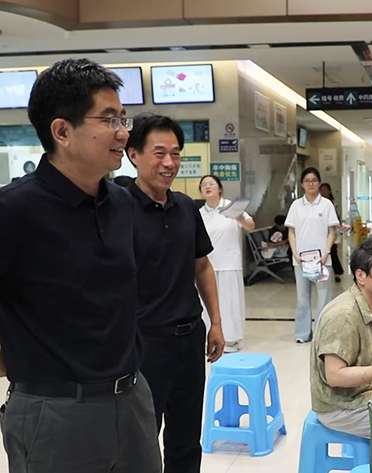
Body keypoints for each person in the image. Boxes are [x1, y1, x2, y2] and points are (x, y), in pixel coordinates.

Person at [0, 58, 161, 472]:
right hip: (55, 413)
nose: (123, 132)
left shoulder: (122, 203)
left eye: (123, 118)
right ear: (62, 132)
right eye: (109, 120)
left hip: (132, 399)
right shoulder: (14, 210)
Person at [127, 113, 225, 473]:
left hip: (189, 338)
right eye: (159, 153)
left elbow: (202, 266)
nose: (169, 163)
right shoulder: (118, 208)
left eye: (176, 154)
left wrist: (216, 323)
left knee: (186, 440)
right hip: (143, 343)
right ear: (134, 154)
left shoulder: (185, 207)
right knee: (140, 440)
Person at [310, 238, 372, 435]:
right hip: (342, 406)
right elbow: (334, 375)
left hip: (366, 394)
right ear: (361, 276)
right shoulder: (344, 315)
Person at [199, 174, 255, 353]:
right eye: (204, 185)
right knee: (207, 303)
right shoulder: (199, 213)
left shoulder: (231, 207)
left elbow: (251, 225)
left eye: (211, 184)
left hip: (229, 263)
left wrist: (241, 219)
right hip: (206, 266)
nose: (207, 187)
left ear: (220, 188)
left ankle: (231, 338)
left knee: (229, 302)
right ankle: (208, 338)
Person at [285, 167, 339, 343]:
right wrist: (295, 253)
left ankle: (321, 334)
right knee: (302, 299)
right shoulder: (296, 205)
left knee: (324, 298)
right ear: (302, 184)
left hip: (322, 260)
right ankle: (302, 334)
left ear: (319, 183)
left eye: (314, 180)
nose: (311, 184)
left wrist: (326, 252)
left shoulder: (326, 204)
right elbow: (291, 232)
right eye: (307, 181)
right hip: (301, 260)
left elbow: (331, 231)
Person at [320, 182, 345, 282]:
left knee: (333, 252)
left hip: (332, 231)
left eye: (325, 190)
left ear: (329, 191)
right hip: (322, 232)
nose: (323, 192)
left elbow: (336, 217)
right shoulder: (319, 203)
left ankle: (337, 272)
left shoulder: (332, 203)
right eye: (322, 190)